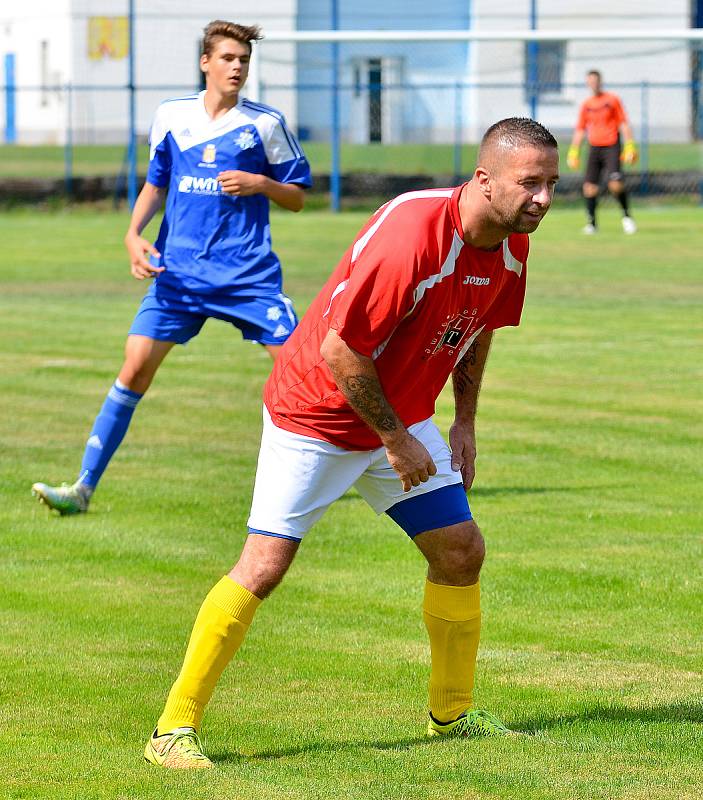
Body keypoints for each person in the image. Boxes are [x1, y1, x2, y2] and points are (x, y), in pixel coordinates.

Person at [143, 117, 560, 769]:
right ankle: (172, 729)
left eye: (550, 184)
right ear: (483, 180)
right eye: (528, 183)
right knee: (264, 566)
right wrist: (395, 441)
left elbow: (477, 329)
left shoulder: (510, 243)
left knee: (458, 550)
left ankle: (449, 717)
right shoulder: (414, 236)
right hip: (317, 414)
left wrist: (463, 423)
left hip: (402, 415)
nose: (541, 199)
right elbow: (341, 351)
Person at [32, 20, 312, 515]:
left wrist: (259, 183)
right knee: (134, 368)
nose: (238, 68)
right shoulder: (171, 116)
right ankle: (82, 489)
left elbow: (297, 197)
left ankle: (377, 466)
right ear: (205, 62)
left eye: (244, 60)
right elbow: (155, 185)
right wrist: (132, 235)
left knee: (307, 376)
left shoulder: (265, 124)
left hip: (245, 278)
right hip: (178, 277)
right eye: (228, 58)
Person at [567, 70, 638, 235]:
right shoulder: (586, 105)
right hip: (595, 147)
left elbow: (624, 123)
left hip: (612, 145)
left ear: (600, 82)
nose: (593, 84)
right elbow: (580, 129)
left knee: (615, 185)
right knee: (589, 188)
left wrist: (629, 145)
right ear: (587, 84)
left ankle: (627, 217)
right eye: (590, 81)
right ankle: (592, 224)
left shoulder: (612, 100)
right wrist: (574, 150)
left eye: (595, 81)